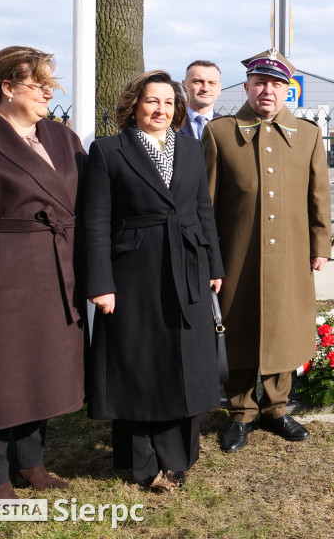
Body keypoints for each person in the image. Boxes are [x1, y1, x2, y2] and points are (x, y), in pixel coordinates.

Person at [82, 70, 224, 491]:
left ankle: (178, 456)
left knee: (184, 361)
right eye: (152, 101)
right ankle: (144, 462)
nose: (161, 109)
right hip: (134, 274)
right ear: (134, 105)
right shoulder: (108, 151)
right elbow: (95, 223)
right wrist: (100, 282)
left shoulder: (191, 147)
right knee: (142, 362)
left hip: (189, 266)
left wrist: (214, 264)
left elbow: (203, 211)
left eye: (168, 102)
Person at [0, 46, 85, 499]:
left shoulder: (61, 137)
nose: (49, 93)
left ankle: (30, 462)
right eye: (39, 85)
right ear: (8, 87)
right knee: (0, 375)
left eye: (51, 85)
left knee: (42, 368)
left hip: (57, 269)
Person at [203, 48, 332, 453]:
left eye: (277, 84)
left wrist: (320, 244)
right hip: (236, 254)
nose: (268, 91)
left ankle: (277, 408)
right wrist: (208, 256)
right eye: (260, 83)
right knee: (239, 327)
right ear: (247, 87)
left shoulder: (308, 134)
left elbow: (319, 196)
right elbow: (204, 204)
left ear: (287, 90)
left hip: (292, 254)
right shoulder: (220, 133)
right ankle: (240, 412)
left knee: (285, 327)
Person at [179, 60, 222, 139]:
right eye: (198, 82)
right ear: (184, 85)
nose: (205, 88)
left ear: (219, 88)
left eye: (212, 83)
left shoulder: (229, 127)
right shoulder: (169, 124)